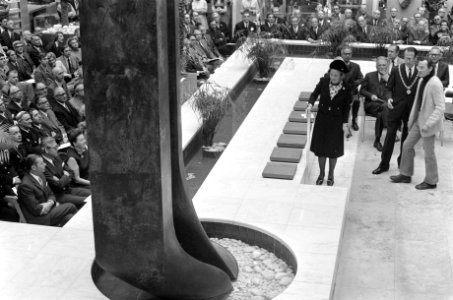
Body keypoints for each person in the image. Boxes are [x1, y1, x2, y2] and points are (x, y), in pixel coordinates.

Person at [390, 58, 445, 190]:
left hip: (428, 125)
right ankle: (405, 174)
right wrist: (412, 119)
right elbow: (418, 102)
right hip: (419, 121)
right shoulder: (421, 80)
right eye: (418, 67)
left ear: (430, 69)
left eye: (422, 68)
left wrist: (429, 123)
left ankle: (431, 181)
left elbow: (440, 107)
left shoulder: (435, 83)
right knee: (407, 145)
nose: (418, 70)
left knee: (429, 153)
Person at [372, 47, 419, 175]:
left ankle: (401, 163)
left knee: (406, 138)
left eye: (410, 58)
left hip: (411, 110)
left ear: (415, 59)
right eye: (406, 57)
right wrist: (389, 98)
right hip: (395, 108)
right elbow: (388, 88)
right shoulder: (396, 70)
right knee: (390, 136)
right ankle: (384, 164)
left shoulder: (420, 73)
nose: (407, 60)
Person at [307, 58, 352, 186]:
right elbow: (314, 94)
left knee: (333, 151)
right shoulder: (323, 82)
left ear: (342, 76)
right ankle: (321, 174)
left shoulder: (346, 88)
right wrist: (310, 104)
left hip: (336, 123)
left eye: (336, 75)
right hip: (322, 120)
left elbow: (346, 107)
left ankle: (331, 175)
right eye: (331, 74)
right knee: (321, 150)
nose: (333, 77)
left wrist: (345, 124)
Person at [18, 154, 77, 226]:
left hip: (48, 209)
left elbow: (51, 194)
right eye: (41, 163)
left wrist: (50, 202)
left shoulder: (41, 175)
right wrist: (52, 203)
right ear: (33, 167)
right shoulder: (25, 185)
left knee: (70, 217)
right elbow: (37, 210)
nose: (45, 164)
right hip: (38, 218)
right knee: (70, 206)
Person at [41, 136, 89, 208]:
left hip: (69, 189)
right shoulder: (42, 164)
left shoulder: (57, 157)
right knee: (87, 201)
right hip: (59, 195)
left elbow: (71, 172)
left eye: (57, 147)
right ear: (46, 150)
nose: (57, 149)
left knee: (92, 194)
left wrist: (63, 178)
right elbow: (57, 186)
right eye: (54, 148)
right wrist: (65, 175)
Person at [360, 57, 390, 151]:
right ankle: (390, 130)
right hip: (371, 105)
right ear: (376, 66)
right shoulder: (369, 76)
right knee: (384, 108)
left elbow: (395, 92)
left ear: (387, 65)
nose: (382, 67)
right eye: (379, 65)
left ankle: (377, 140)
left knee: (381, 113)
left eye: (384, 65)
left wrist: (388, 81)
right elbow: (362, 90)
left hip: (384, 106)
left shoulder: (391, 77)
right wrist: (370, 95)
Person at [341, 46, 363, 131]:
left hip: (353, 91)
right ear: (342, 55)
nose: (347, 55)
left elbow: (361, 78)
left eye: (349, 54)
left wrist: (355, 83)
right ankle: (343, 121)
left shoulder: (356, 66)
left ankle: (354, 120)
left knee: (356, 101)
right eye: (345, 54)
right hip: (341, 91)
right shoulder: (337, 65)